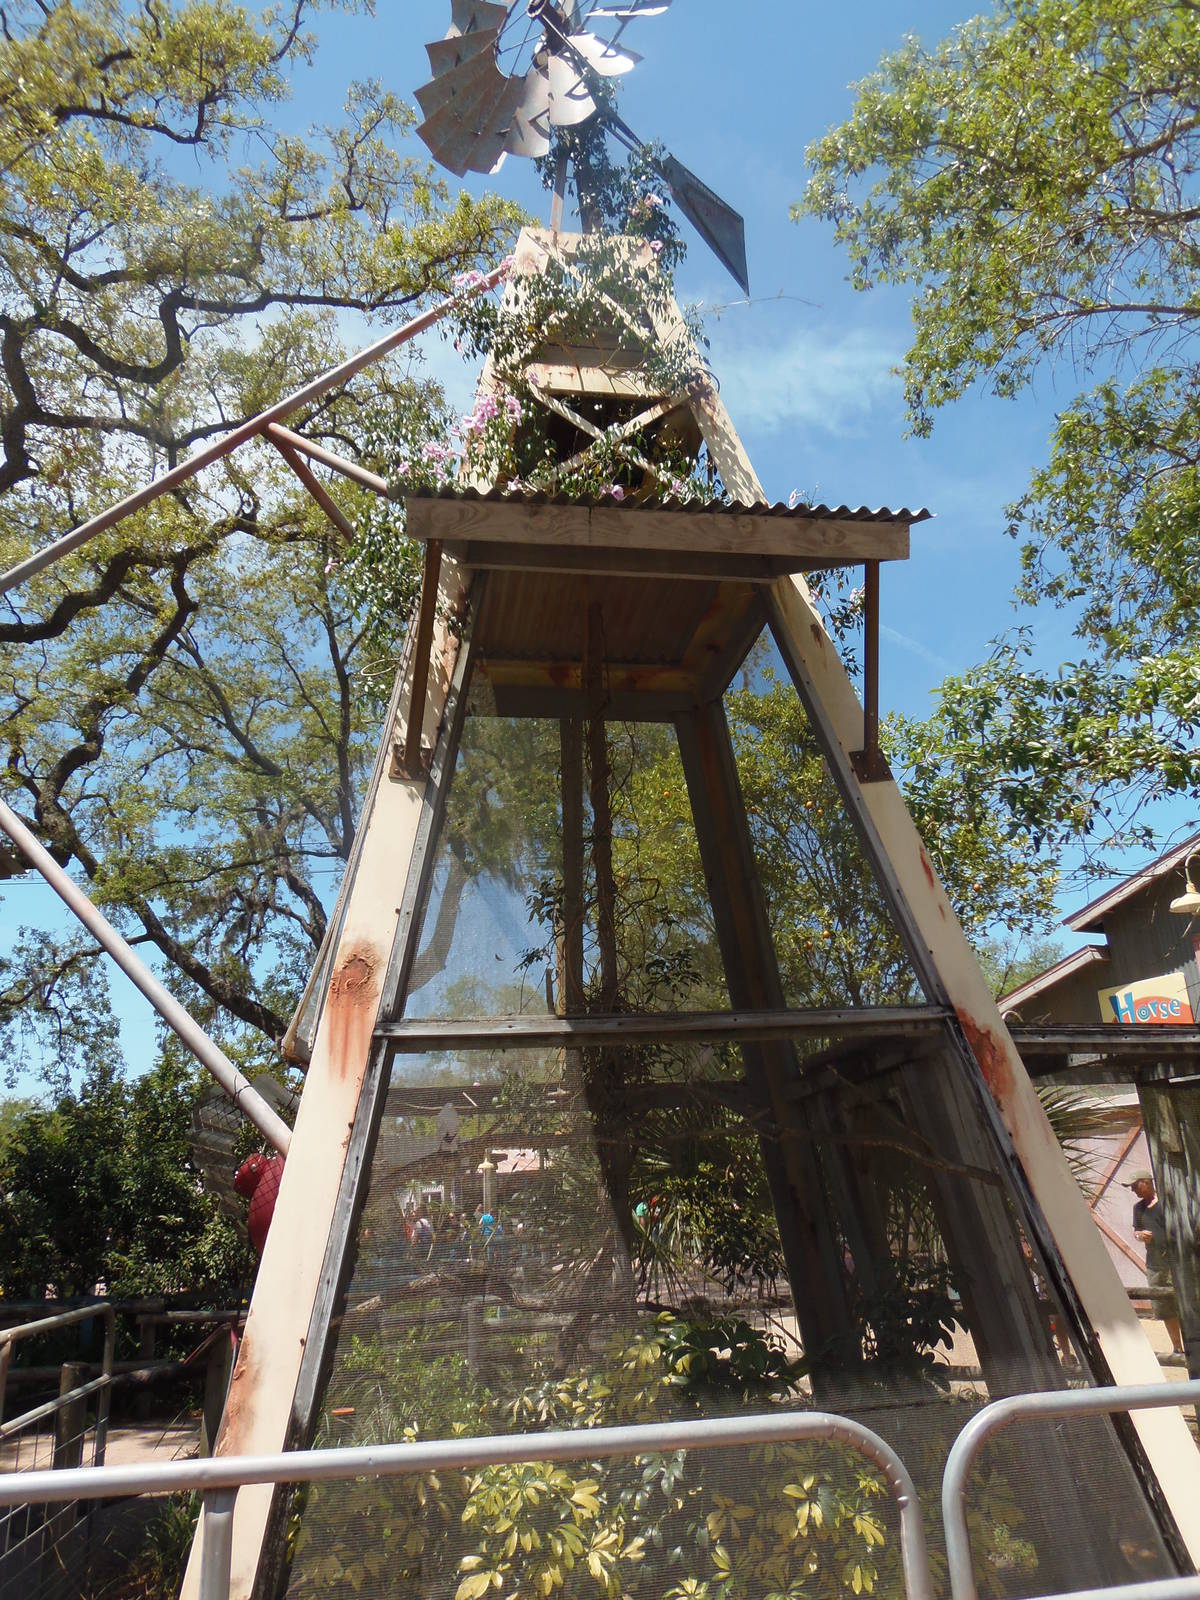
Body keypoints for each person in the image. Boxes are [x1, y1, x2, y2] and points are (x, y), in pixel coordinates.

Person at [1126, 1167, 1184, 1356]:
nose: (1133, 1190)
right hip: (1155, 1265)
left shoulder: (1168, 1203)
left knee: (1187, 1303)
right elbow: (1136, 1231)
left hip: (1177, 1262)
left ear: (1147, 1182)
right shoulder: (1138, 1208)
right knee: (1165, 1307)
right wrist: (1140, 1235)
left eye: (1135, 1186)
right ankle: (1177, 1348)